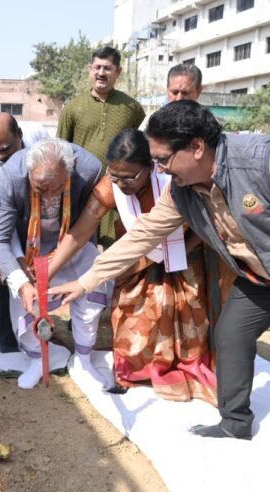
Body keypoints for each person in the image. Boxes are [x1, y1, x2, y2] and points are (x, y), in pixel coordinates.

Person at [50, 100, 270, 492]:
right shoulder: (183, 189)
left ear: (198, 147)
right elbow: (143, 235)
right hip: (263, 274)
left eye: (164, 158)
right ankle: (235, 421)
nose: (160, 168)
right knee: (230, 335)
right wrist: (85, 281)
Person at [47, 129, 220, 403]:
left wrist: (180, 253)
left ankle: (182, 369)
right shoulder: (110, 186)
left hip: (186, 253)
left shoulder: (175, 182)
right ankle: (136, 372)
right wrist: (48, 273)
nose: (121, 183)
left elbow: (207, 221)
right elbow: (80, 233)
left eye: (129, 177)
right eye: (115, 176)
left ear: (150, 167)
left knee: (188, 312)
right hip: (136, 258)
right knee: (135, 315)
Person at [0, 138, 109, 390]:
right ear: (29, 173)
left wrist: (59, 261)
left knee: (91, 288)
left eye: (56, 188)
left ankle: (84, 360)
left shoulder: (90, 169)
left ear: (70, 171)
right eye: (39, 189)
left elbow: (89, 222)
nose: (48, 196)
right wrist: (22, 283)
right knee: (24, 301)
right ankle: (37, 359)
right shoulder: (12, 174)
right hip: (29, 245)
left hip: (73, 239)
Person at [57, 46, 145, 247]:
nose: (101, 73)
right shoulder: (72, 108)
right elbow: (60, 150)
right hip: (80, 188)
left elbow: (136, 146)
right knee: (77, 245)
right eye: (97, 67)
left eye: (107, 68)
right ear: (90, 69)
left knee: (114, 245)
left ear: (118, 72)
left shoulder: (132, 108)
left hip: (117, 188)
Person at [0, 112, 47, 353]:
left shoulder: (38, 137)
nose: (1, 156)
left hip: (40, 212)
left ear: (20, 135)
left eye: (5, 148)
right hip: (10, 218)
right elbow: (2, 232)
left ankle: (41, 330)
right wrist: (18, 260)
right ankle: (7, 336)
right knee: (6, 268)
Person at [139, 63, 204, 130]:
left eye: (185, 93)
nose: (179, 98)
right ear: (167, 89)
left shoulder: (207, 123)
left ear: (198, 91)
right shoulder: (152, 120)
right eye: (174, 92)